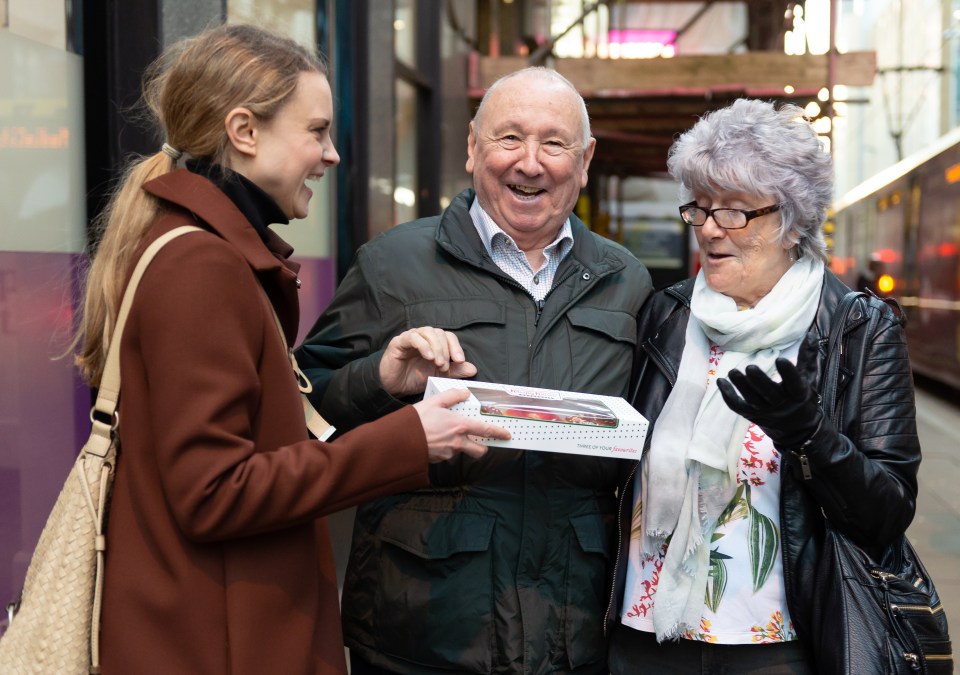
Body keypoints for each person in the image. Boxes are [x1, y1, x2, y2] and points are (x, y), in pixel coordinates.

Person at [70, 24, 509, 675]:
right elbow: (215, 492)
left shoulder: (197, 250)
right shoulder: (204, 266)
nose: (332, 155)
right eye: (317, 131)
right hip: (220, 643)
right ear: (244, 132)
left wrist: (382, 378)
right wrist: (408, 439)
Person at [295, 67, 653, 674]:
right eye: (508, 138)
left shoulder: (627, 283)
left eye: (555, 143)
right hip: (424, 624)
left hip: (575, 627)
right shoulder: (393, 265)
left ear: (586, 158)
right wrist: (380, 377)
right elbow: (307, 409)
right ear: (472, 148)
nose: (531, 163)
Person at [605, 98, 921, 673]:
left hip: (776, 645)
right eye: (699, 208)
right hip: (646, 634)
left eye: (735, 212)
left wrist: (812, 437)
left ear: (792, 220)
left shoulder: (856, 329)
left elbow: (887, 513)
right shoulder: (667, 316)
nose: (709, 229)